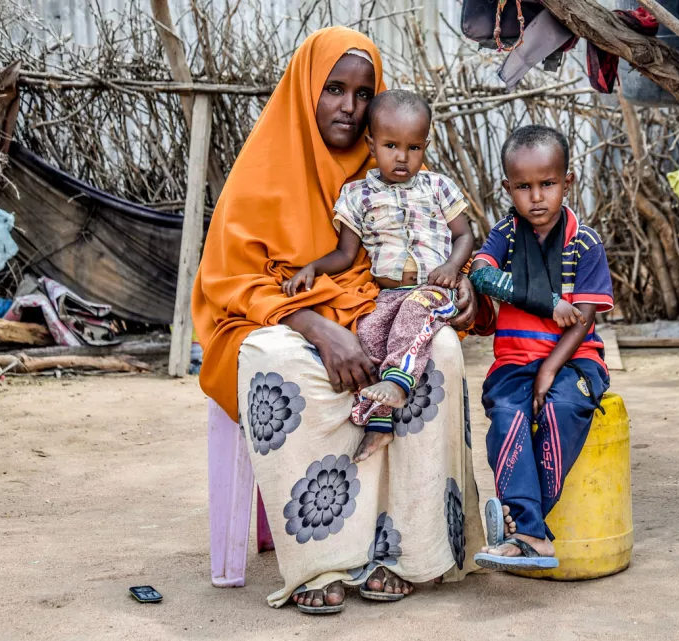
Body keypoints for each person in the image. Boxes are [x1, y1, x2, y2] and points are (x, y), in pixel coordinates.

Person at [192, 27, 484, 614]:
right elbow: (230, 280)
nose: (348, 108)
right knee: (275, 362)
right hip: (281, 319)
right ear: (306, 90)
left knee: (442, 350)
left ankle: (410, 552)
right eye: (333, 89)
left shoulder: (388, 169)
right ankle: (320, 563)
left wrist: (464, 280)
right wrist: (318, 328)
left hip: (372, 310)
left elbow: (430, 248)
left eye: (361, 92)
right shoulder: (262, 170)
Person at [282, 89, 474, 455]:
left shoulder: (438, 187)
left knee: (413, 316)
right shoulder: (356, 196)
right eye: (390, 146)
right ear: (371, 144)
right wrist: (311, 268)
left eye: (413, 148)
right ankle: (380, 422)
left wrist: (452, 267)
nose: (402, 157)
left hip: (433, 290)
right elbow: (344, 253)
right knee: (369, 335)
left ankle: (399, 386)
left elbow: (464, 234)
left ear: (425, 146)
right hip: (387, 295)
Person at [468, 125, 613, 571]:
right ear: (507, 188)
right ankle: (531, 535)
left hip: (575, 360)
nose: (536, 197)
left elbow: (584, 317)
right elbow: (480, 274)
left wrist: (550, 369)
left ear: (566, 183)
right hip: (513, 362)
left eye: (547, 184)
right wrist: (548, 303)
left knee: (559, 409)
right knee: (509, 417)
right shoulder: (507, 235)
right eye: (523, 187)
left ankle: (524, 530)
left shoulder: (584, 242)